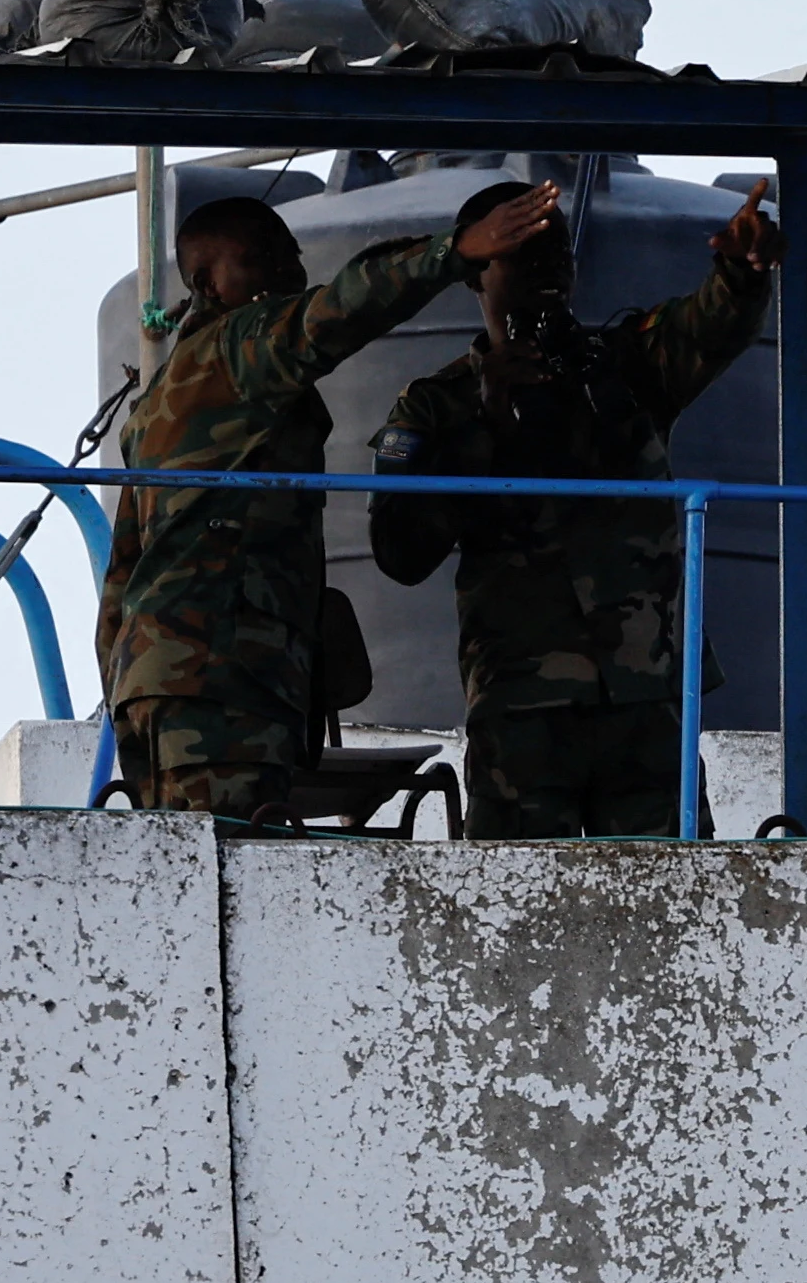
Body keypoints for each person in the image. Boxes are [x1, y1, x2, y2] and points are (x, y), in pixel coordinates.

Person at [103, 181, 564, 817]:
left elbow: (124, 572)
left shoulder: (156, 402)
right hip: (222, 679)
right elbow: (341, 309)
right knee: (232, 874)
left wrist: (126, 683)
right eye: (265, 257)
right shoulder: (237, 347)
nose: (290, 271)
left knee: (183, 883)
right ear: (209, 285)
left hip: (164, 680)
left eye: (292, 254)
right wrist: (453, 251)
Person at [366, 184, 782, 839]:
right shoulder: (436, 406)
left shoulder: (629, 364)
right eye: (523, 249)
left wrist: (742, 269)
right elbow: (399, 551)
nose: (549, 264)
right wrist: (487, 425)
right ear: (476, 269)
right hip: (523, 703)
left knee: (675, 901)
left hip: (647, 698)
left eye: (559, 246)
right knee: (521, 908)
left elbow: (711, 325)